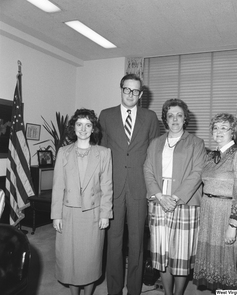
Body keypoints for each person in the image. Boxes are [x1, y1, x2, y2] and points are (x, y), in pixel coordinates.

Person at [99, 74, 160, 295]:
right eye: (127, 90)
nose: (131, 94)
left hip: (138, 188)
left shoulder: (151, 117)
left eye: (135, 91)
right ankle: (114, 290)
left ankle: (134, 289)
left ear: (141, 94)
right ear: (121, 89)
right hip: (112, 188)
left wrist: (154, 189)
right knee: (113, 243)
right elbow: (102, 154)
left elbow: (155, 154)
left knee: (137, 242)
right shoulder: (105, 116)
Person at [143, 99, 207, 295]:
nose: (175, 119)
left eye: (179, 115)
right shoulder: (155, 143)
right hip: (159, 200)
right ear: (165, 119)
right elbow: (147, 169)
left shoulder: (196, 143)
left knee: (180, 253)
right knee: (162, 252)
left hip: (185, 202)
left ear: (185, 118)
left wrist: (176, 198)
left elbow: (197, 173)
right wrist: (160, 196)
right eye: (170, 115)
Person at [51, 108, 113, 295]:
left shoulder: (103, 153)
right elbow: (58, 185)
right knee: (70, 260)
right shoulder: (63, 152)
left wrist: (105, 214)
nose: (83, 129)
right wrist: (56, 216)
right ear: (74, 127)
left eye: (88, 125)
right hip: (69, 214)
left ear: (93, 128)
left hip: (93, 214)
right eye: (79, 124)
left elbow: (107, 186)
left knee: (90, 260)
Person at [193, 113, 237, 290]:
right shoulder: (210, 156)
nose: (218, 131)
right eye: (215, 128)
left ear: (233, 132)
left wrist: (233, 225)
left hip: (227, 214)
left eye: (224, 128)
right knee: (213, 262)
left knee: (227, 261)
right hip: (209, 214)